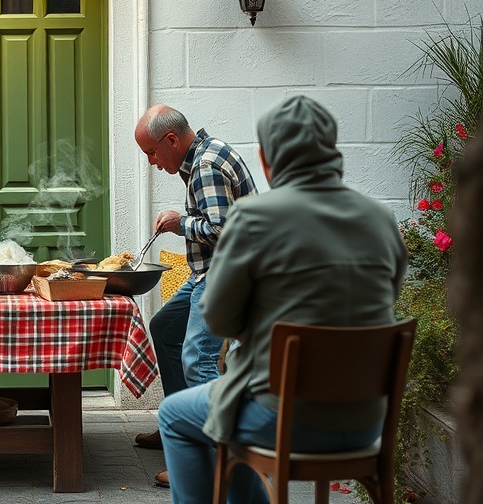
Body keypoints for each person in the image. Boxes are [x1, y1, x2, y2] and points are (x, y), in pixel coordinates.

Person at [157, 95, 408, 503]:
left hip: (284, 418)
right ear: (332, 149)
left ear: (267, 158)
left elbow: (218, 318)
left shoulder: (253, 218)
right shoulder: (380, 218)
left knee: (175, 414)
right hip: (365, 420)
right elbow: (387, 297)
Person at [132, 105, 257, 489]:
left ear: (171, 140)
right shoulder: (204, 155)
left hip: (225, 275)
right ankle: (181, 427)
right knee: (165, 327)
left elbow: (224, 230)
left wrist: (179, 222)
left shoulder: (205, 166)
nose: (152, 162)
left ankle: (206, 464)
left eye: (151, 152)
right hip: (210, 272)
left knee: (199, 359)